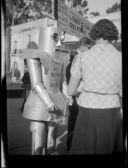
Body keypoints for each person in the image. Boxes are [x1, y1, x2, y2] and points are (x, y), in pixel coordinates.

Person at [68, 19, 122, 154]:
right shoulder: (120, 57)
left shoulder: (83, 57)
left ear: (95, 34)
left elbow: (70, 90)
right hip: (112, 111)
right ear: (112, 35)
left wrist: (81, 90)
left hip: (87, 111)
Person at [22, 27, 70, 155]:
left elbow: (62, 80)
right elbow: (36, 83)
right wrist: (48, 102)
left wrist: (66, 94)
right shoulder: (34, 56)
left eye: (61, 38)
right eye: (55, 37)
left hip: (55, 99)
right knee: (38, 135)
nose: (59, 42)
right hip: (40, 101)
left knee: (52, 136)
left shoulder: (61, 58)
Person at [66, 37, 94, 152]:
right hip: (77, 96)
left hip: (73, 96)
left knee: (73, 122)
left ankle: (71, 145)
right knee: (75, 123)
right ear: (85, 46)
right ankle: (72, 146)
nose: (90, 49)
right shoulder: (78, 57)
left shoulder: (72, 57)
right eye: (89, 47)